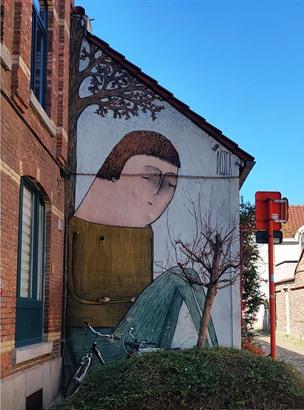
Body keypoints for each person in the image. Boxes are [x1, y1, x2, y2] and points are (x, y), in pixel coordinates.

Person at [66, 130, 216, 363]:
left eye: (169, 185)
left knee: (178, 286)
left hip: (131, 334)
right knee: (184, 276)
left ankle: (160, 364)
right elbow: (79, 292)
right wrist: (128, 301)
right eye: (150, 178)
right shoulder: (78, 227)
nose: (159, 193)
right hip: (95, 338)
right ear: (114, 172)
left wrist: (136, 302)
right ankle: (216, 357)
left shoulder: (143, 231)